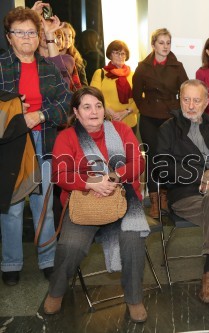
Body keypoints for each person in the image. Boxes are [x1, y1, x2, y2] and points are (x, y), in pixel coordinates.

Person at [43, 86, 148, 322]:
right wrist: (91, 184)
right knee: (70, 246)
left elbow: (137, 163)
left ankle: (134, 299)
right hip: (83, 203)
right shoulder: (67, 137)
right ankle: (56, 292)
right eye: (87, 107)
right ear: (76, 112)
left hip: (122, 198)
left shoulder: (120, 130)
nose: (94, 112)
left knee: (133, 240)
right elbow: (60, 174)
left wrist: (112, 178)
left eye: (98, 106)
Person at [0, 6, 71, 286]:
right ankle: (11, 263)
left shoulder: (47, 66)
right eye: (20, 32)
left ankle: (47, 260)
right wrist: (17, 111)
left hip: (44, 138)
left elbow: (66, 101)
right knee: (13, 205)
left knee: (44, 205)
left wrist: (39, 115)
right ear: (9, 37)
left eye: (31, 32)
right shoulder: (2, 65)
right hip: (13, 144)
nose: (27, 37)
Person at [156, 79, 209, 312]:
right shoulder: (168, 128)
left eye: (196, 100)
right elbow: (162, 166)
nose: (190, 105)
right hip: (185, 195)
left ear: (206, 102)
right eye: (186, 99)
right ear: (179, 100)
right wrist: (201, 176)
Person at [132, 28, 188, 218]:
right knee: (153, 158)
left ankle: (165, 197)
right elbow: (136, 94)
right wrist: (147, 107)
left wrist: (178, 112)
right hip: (149, 118)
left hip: (170, 118)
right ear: (154, 44)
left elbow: (186, 91)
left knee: (168, 158)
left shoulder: (177, 66)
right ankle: (154, 201)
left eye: (168, 43)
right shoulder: (143, 66)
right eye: (161, 42)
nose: (165, 47)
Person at [91, 40, 138, 132]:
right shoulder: (100, 73)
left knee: (129, 146)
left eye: (123, 53)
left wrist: (126, 112)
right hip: (108, 120)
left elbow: (141, 97)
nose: (120, 56)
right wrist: (109, 111)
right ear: (110, 55)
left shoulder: (134, 75)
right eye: (116, 53)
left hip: (130, 121)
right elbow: (94, 96)